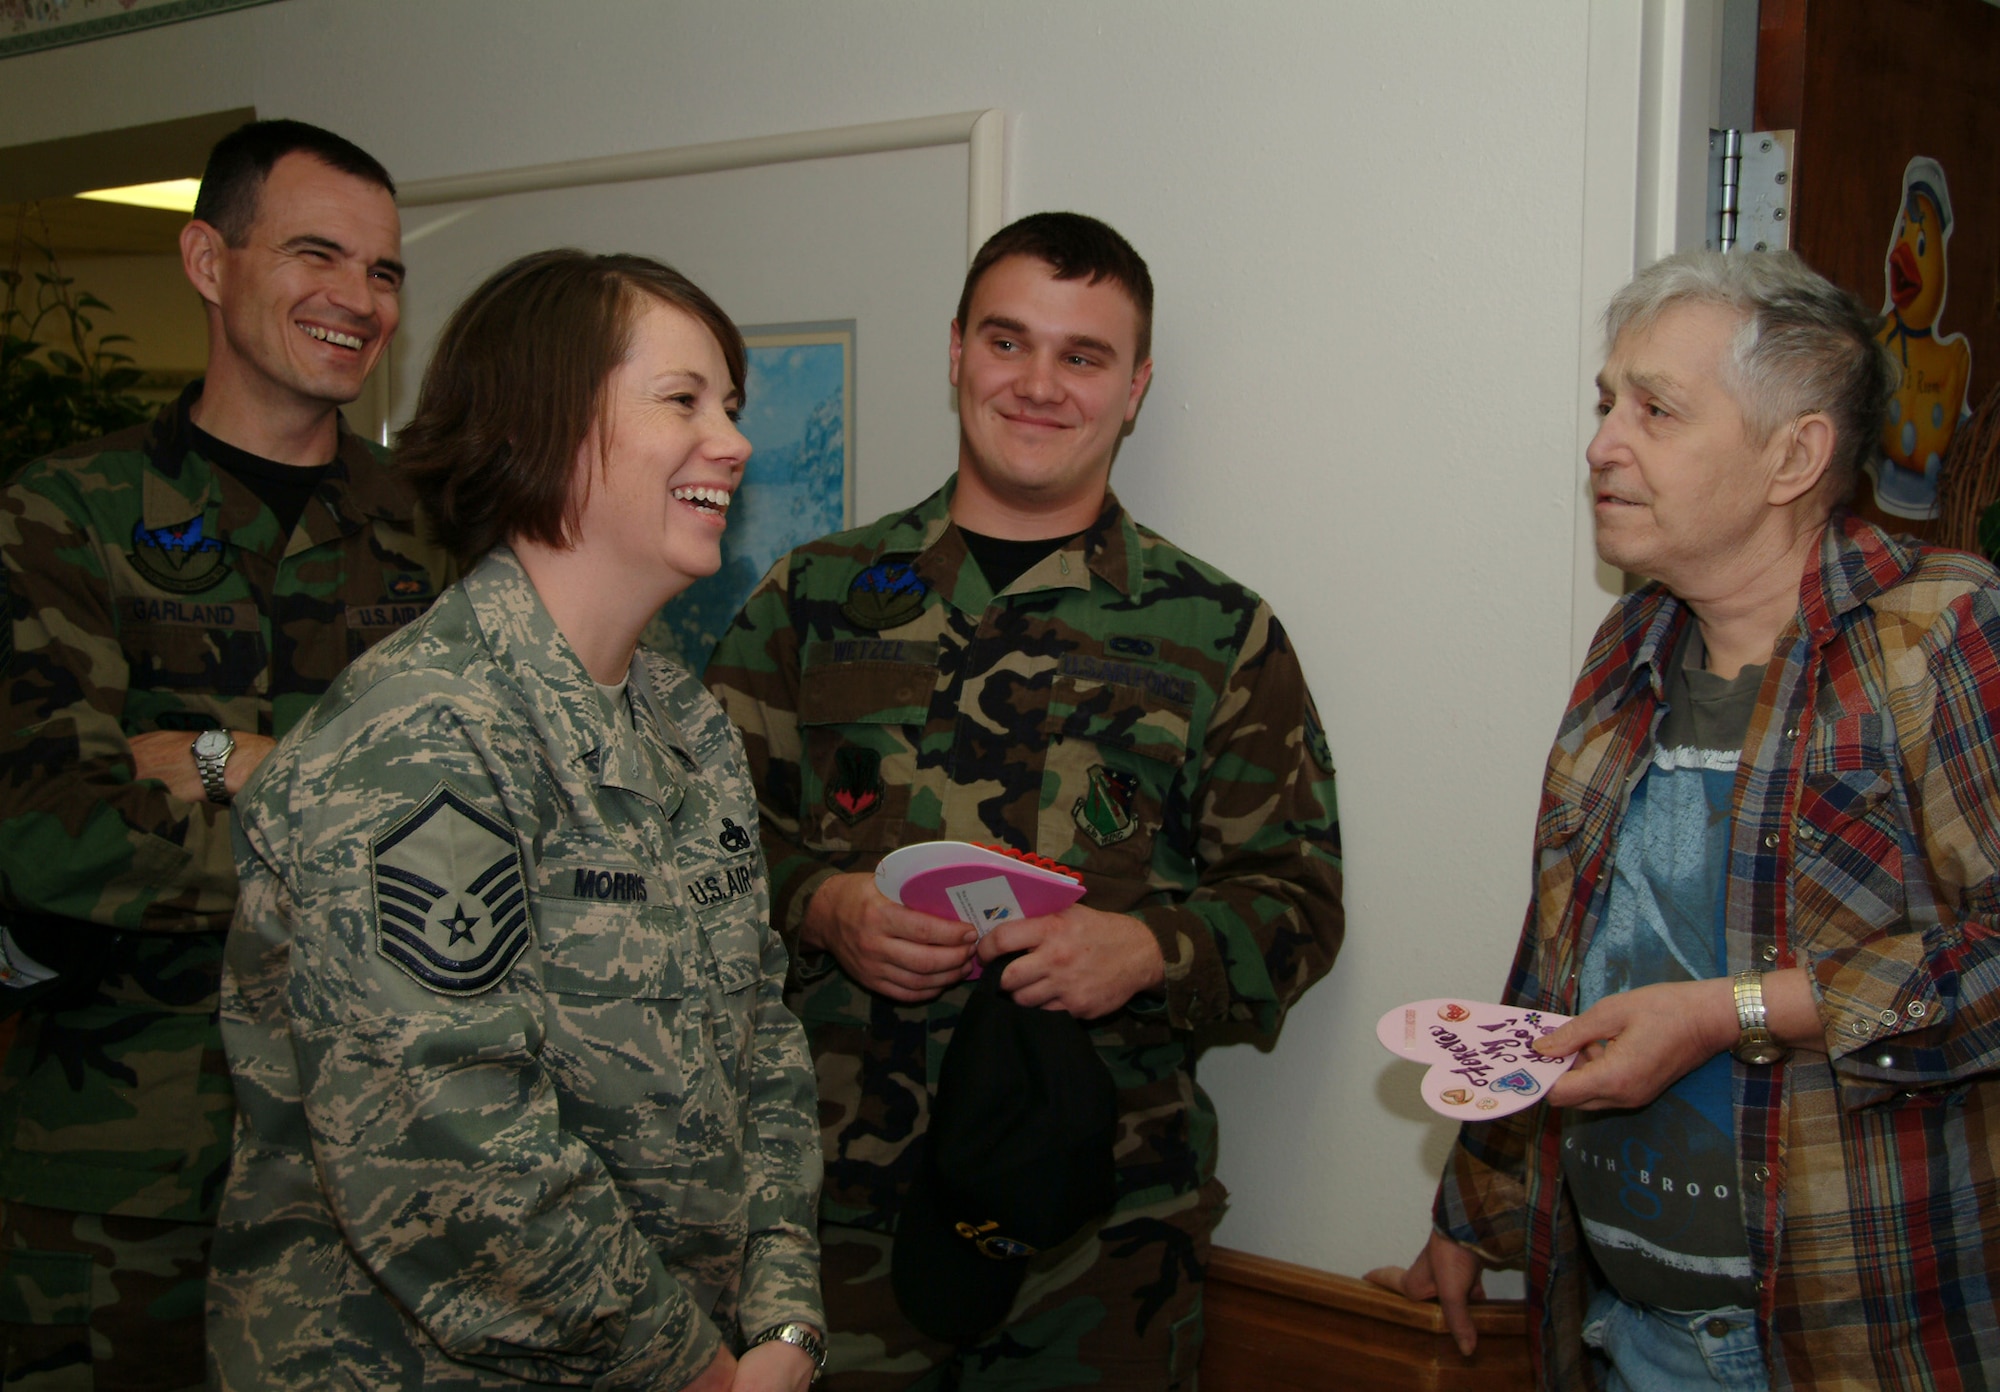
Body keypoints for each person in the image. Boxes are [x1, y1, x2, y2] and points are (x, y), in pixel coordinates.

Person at [706, 211, 1344, 1390]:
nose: (1039, 384)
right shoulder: (816, 599)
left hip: (1100, 1246)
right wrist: (823, 907)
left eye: (1082, 356)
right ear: (955, 351)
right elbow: (696, 856)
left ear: (1134, 387)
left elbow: (1297, 905)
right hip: (825, 1224)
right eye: (1008, 343)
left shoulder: (1217, 633)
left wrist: (1147, 950)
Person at [1371, 249, 2000, 1389]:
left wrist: (1732, 1012)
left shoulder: (1940, 634)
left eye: (1654, 409)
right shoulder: (1632, 643)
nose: (1602, 442)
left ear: (1792, 455)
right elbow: (1558, 957)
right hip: (1618, 1330)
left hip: (1847, 1345)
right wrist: (1476, 1210)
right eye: (1606, 402)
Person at [206, 249, 825, 1392]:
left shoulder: (684, 723)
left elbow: (764, 1048)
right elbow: (446, 1143)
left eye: (729, 406)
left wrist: (781, 1328)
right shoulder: (423, 734)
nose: (731, 441)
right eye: (682, 400)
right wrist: (692, 1366)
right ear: (544, 425)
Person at [0, 119, 451, 1390]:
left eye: (384, 272)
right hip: (124, 1183)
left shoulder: (438, 545)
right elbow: (54, 838)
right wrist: (364, 827)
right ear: (208, 259)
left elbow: (482, 808)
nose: (357, 300)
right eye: (319, 254)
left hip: (381, 1174)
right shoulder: (63, 517)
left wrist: (218, 756)